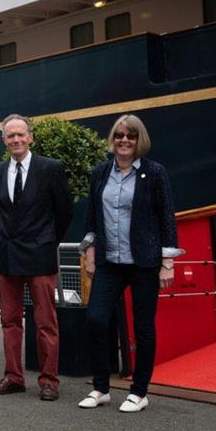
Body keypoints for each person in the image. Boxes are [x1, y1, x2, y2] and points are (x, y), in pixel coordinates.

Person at [79, 114, 181, 412]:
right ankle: (101, 388)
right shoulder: (100, 173)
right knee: (96, 319)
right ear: (113, 138)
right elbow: (92, 217)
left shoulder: (155, 172)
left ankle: (139, 391)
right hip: (110, 260)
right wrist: (90, 251)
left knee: (143, 326)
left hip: (144, 262)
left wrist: (167, 263)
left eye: (131, 136)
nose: (124, 140)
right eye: (120, 135)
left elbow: (167, 219)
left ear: (140, 140)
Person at [0, 114, 72, 401]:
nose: (16, 140)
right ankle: (13, 377)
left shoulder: (51, 168)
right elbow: (0, 212)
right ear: (4, 140)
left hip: (40, 253)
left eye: (20, 134)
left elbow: (64, 213)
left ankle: (49, 381)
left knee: (46, 322)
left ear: (30, 136)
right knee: (9, 321)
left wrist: (47, 240)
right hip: (7, 254)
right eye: (10, 136)